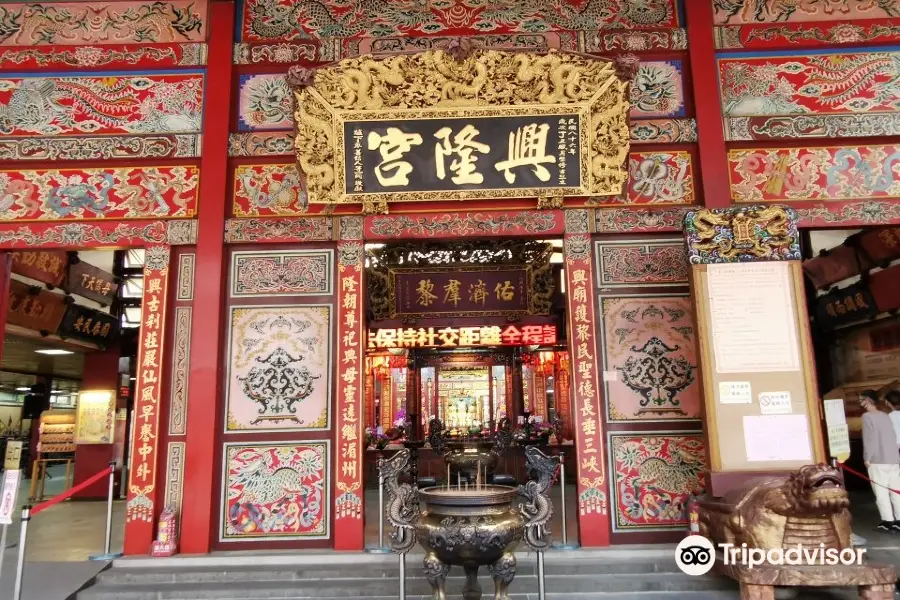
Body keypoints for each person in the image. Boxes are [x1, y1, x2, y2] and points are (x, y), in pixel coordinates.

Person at [859, 390, 900, 532]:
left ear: (868, 400)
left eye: (861, 400)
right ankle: (899, 520)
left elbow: (870, 439)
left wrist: (867, 457)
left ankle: (888, 521)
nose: (860, 403)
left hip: (877, 460)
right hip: (893, 459)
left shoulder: (867, 417)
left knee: (881, 492)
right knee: (895, 490)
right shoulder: (885, 416)